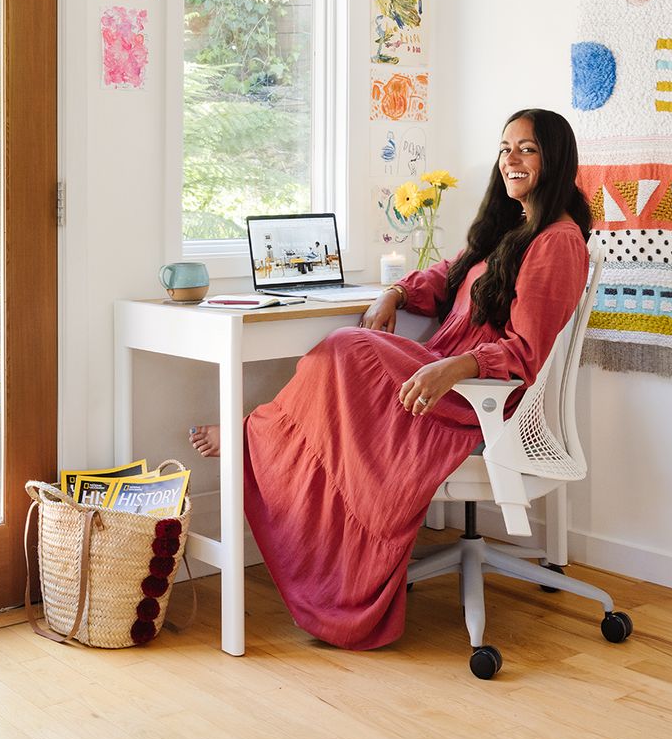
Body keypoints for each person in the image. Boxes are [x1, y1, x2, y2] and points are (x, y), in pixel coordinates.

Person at [189, 109, 591, 650]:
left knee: (347, 347)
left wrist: (452, 367)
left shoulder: (557, 242)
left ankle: (253, 434)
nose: (510, 160)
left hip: (479, 398)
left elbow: (524, 352)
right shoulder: (512, 229)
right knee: (344, 366)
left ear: (555, 158)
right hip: (448, 375)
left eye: (527, 149)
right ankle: (257, 435)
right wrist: (395, 293)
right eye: (504, 148)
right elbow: (446, 277)